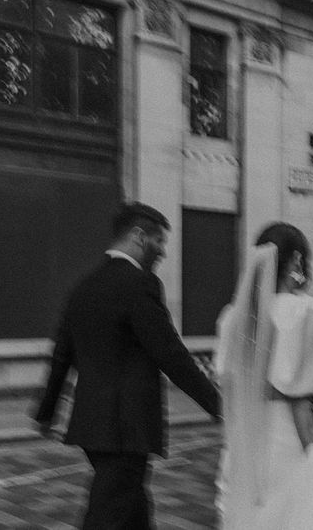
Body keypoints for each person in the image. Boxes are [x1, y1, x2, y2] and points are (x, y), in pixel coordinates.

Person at [33, 201, 220, 530]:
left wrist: (46, 413)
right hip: (126, 429)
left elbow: (61, 356)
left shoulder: (83, 288)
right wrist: (218, 404)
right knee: (109, 514)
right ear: (138, 236)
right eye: (159, 240)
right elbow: (170, 353)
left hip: (93, 426)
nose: (163, 251)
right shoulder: (140, 284)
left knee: (132, 510)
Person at [215, 222, 313, 530]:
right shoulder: (306, 311)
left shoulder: (232, 318)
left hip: (245, 438)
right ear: (297, 261)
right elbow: (303, 395)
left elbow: (227, 384)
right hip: (288, 435)